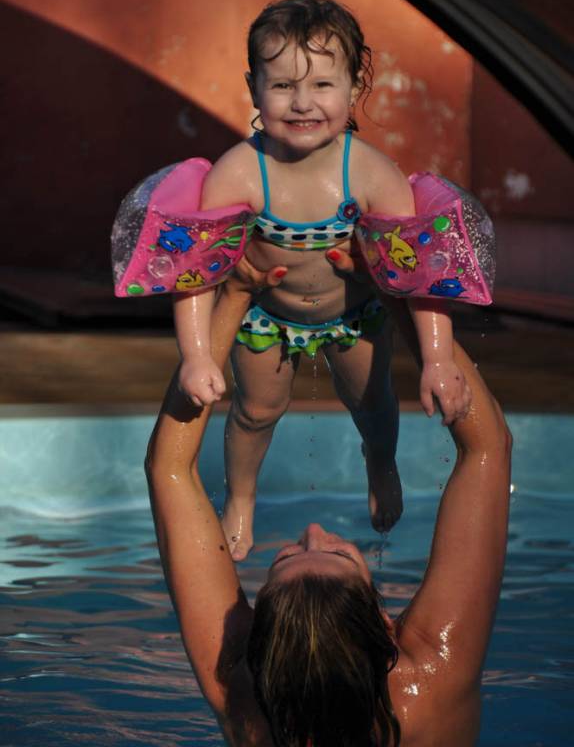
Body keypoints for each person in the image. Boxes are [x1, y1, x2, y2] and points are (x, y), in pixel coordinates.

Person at [146, 260, 512, 747]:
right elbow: (487, 447)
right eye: (337, 552)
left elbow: (169, 468)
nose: (313, 531)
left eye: (285, 557)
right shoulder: (429, 681)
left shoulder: (241, 693)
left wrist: (235, 295)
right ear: (384, 627)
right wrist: (396, 289)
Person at [172, 0, 472, 559]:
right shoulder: (239, 173)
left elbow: (419, 274)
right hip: (267, 316)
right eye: (283, 85)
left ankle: (380, 463)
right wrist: (196, 355)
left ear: (355, 88)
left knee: (373, 403)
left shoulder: (372, 175)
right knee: (256, 411)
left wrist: (438, 359)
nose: (302, 102)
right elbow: (198, 272)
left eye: (322, 84)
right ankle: (241, 497)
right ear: (254, 87)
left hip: (352, 313)